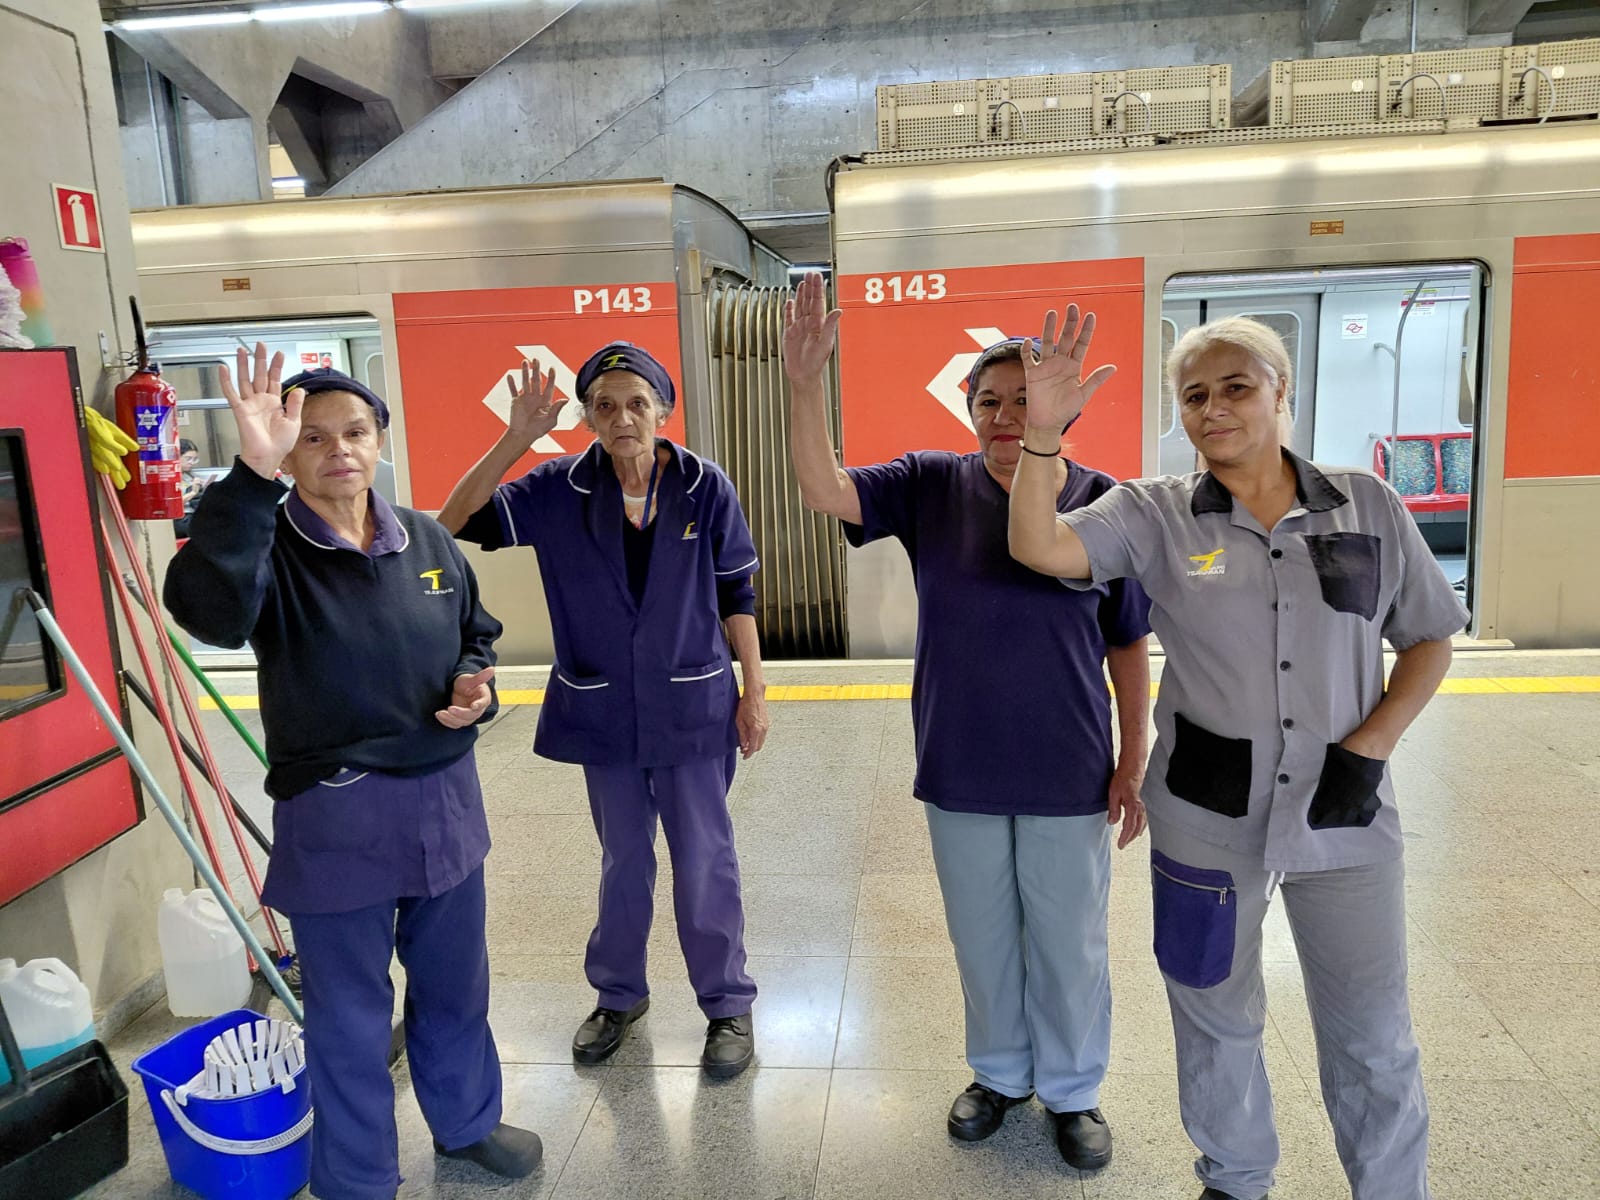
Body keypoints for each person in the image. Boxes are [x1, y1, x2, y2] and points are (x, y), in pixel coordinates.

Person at [1008, 310, 1468, 1200]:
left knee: (1372, 1031)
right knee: (1213, 1010)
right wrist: (1042, 438)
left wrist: (1371, 747)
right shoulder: (1153, 513)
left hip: (1345, 812)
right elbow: (1039, 546)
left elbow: (1428, 639)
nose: (1213, 408)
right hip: (1204, 814)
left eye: (1236, 387)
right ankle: (1235, 1176)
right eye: (1194, 396)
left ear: (1281, 391)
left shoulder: (1366, 502)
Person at [781, 272, 1152, 1169]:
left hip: (1068, 762)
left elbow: (1128, 646)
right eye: (990, 401)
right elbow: (826, 490)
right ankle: (999, 1075)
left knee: (1068, 940)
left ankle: (1073, 1091)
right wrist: (803, 385)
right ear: (968, 409)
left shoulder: (1105, 501)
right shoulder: (930, 484)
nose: (1007, 416)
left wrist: (1133, 759)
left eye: (1026, 399)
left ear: (1062, 405)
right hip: (960, 758)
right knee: (981, 934)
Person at [165, 347, 541, 1200]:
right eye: (314, 437)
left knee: (454, 986)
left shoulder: (427, 538)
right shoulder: (269, 547)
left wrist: (473, 684)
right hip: (337, 809)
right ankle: (359, 1178)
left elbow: (476, 632)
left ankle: (467, 1122)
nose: (339, 449)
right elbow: (208, 615)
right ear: (290, 455)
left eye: (356, 432)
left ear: (380, 441)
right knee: (349, 1015)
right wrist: (249, 479)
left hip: (446, 800)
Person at [438, 341, 770, 1078]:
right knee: (623, 859)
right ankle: (618, 994)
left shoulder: (704, 486)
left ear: (664, 411)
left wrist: (755, 691)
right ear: (587, 417)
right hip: (605, 709)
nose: (623, 418)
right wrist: (517, 438)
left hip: (692, 707)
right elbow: (453, 521)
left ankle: (726, 1004)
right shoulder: (556, 488)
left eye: (637, 404)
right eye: (605, 406)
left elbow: (737, 592)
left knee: (705, 860)